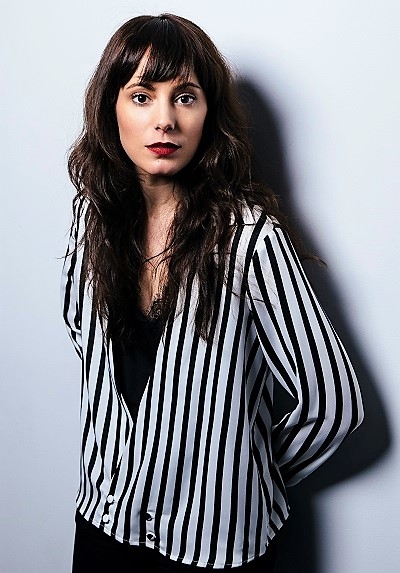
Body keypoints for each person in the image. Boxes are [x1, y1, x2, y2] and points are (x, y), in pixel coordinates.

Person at [62, 13, 364, 572]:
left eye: (185, 97)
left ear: (209, 114)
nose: (164, 120)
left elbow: (331, 405)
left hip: (214, 548)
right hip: (104, 526)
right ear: (111, 109)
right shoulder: (92, 219)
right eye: (141, 96)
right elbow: (87, 344)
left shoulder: (248, 239)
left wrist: (234, 483)